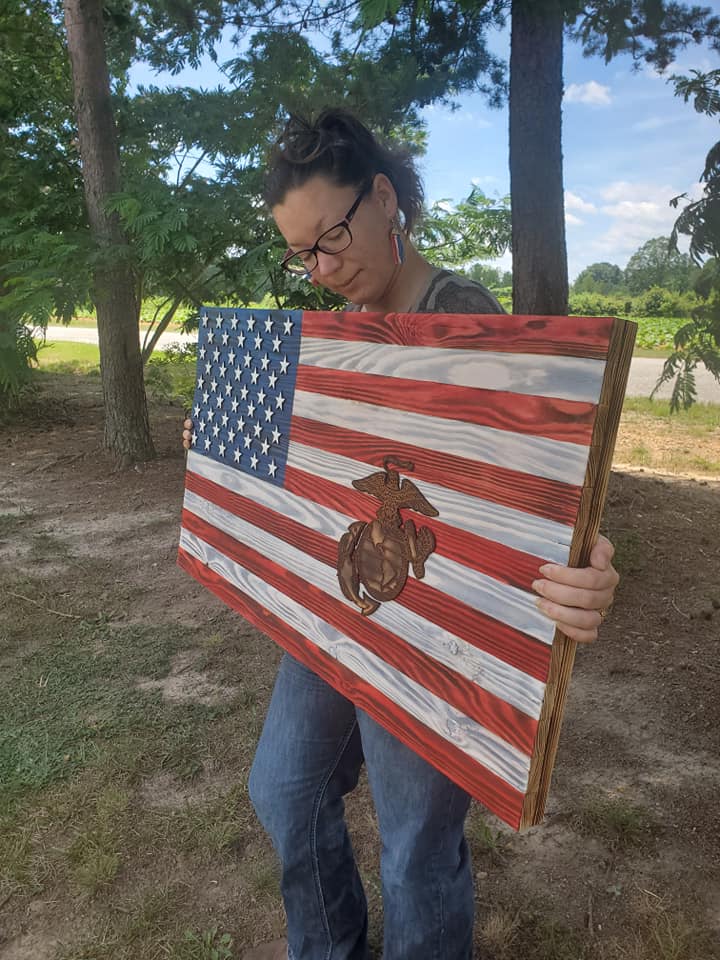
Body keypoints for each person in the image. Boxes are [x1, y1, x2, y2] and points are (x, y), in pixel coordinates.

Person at [181, 108, 619, 960]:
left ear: (384, 198)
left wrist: (591, 560)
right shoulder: (338, 334)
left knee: (416, 853)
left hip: (424, 638)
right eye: (302, 253)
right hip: (333, 611)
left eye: (332, 237)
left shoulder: (462, 315)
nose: (321, 268)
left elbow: (534, 489)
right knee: (284, 790)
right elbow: (307, 465)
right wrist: (221, 448)